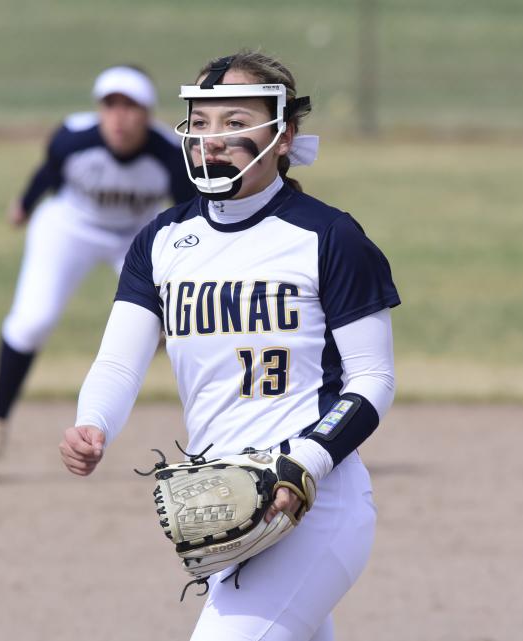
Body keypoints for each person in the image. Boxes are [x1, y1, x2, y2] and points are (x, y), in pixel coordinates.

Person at [59, 50, 400, 641]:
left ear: (285, 133)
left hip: (316, 504)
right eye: (203, 122)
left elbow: (373, 379)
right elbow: (120, 359)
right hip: (226, 508)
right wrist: (95, 422)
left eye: (237, 122)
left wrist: (307, 461)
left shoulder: (328, 236)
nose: (214, 140)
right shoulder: (163, 240)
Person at [0, 65, 196, 481]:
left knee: (182, 321)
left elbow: (189, 212)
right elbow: (49, 172)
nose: (119, 116)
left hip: (136, 236)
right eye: (110, 105)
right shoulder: (74, 136)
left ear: (148, 112)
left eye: (131, 106)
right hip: (70, 226)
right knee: (31, 323)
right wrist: (25, 206)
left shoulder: (169, 153)